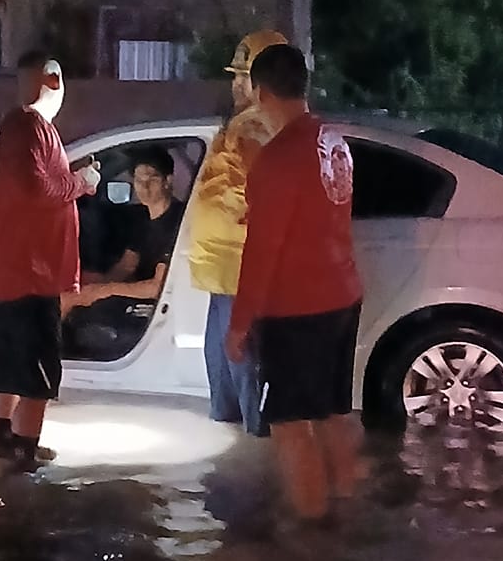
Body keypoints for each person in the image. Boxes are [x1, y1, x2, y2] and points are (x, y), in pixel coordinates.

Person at [225, 43, 363, 523]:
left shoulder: (279, 158)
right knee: (332, 412)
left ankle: (311, 533)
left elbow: (262, 250)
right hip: (342, 296)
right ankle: (345, 512)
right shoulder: (333, 143)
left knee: (288, 423)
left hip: (297, 309)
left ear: (261, 93)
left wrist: (238, 325)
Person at [0, 51, 98, 467]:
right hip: (29, 278)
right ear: (53, 82)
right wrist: (82, 182)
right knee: (37, 380)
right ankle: (24, 459)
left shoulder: (17, 128)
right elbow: (38, 190)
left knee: (12, 370)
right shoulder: (30, 129)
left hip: (13, 276)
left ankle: (6, 443)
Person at [188, 30, 289, 434]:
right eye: (236, 76)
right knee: (224, 363)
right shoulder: (243, 124)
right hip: (222, 269)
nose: (236, 84)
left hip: (240, 267)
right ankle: (237, 442)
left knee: (243, 364)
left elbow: (257, 195)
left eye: (244, 76)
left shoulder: (260, 126)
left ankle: (256, 447)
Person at [62, 143, 184, 353]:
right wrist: (90, 287)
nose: (144, 187)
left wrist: (105, 290)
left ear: (168, 181)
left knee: (82, 310)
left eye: (152, 179)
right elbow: (127, 266)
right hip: (135, 292)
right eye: (138, 180)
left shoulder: (176, 221)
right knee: (68, 296)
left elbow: (158, 287)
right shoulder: (142, 218)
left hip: (158, 303)